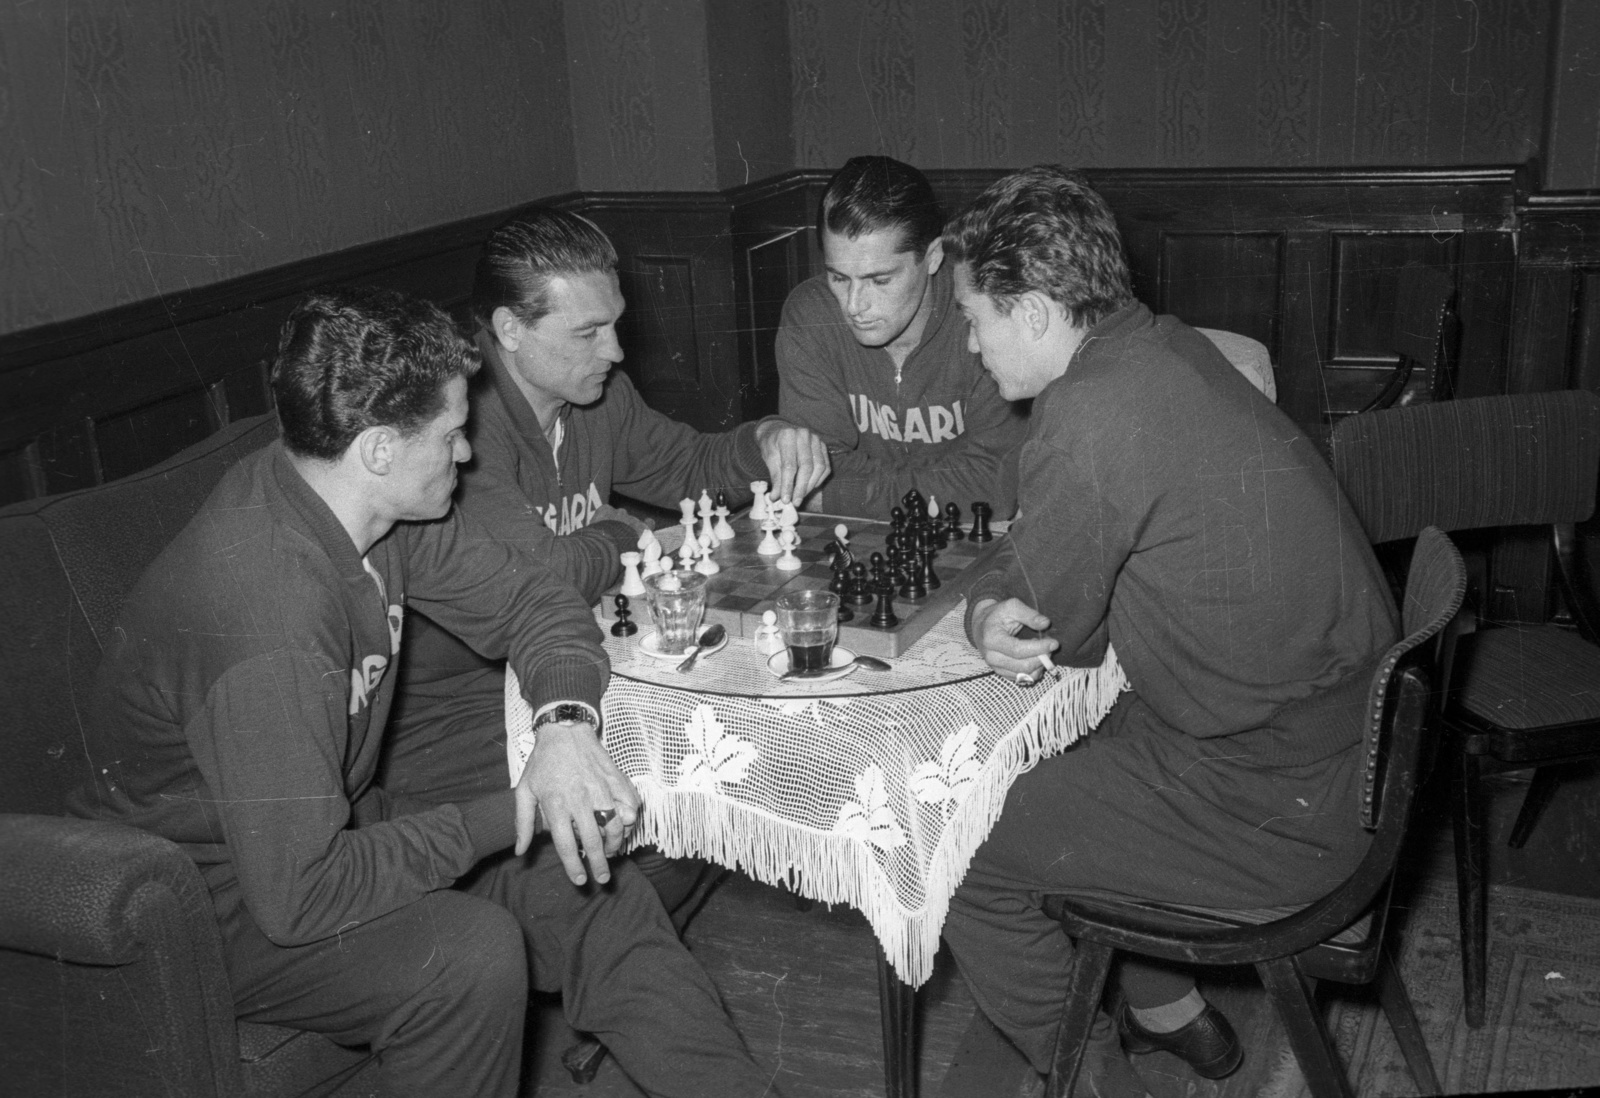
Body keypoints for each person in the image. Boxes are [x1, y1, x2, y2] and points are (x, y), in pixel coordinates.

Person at [67, 287, 776, 1098]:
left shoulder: (368, 508)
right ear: (377, 448)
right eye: (450, 435)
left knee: (592, 897)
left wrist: (565, 731)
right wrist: (521, 808)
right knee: (466, 958)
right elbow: (301, 896)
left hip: (328, 831)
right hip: (207, 905)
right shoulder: (268, 621)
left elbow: (538, 601)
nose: (467, 455)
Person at [937, 167, 1399, 1096]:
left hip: (1284, 803)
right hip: (1342, 754)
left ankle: (1097, 1079)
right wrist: (1010, 579)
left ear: (1030, 312)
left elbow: (1051, 629)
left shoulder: (1091, 414)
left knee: (960, 843)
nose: (973, 345)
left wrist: (989, 604)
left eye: (976, 317)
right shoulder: (1166, 348)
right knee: (1076, 745)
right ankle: (1172, 1011)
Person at [384, 207, 828, 905]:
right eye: (588, 332)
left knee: (740, 748)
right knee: (688, 781)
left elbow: (686, 466)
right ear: (509, 331)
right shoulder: (456, 432)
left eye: (614, 323)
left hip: (567, 666)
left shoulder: (594, 395)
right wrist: (627, 536)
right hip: (462, 706)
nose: (616, 351)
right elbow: (546, 576)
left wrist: (766, 438)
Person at [776, 155, 1026, 519]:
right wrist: (943, 488)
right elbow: (812, 480)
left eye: (880, 280)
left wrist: (848, 495)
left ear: (934, 257)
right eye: (839, 277)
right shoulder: (809, 315)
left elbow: (999, 486)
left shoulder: (981, 317)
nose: (854, 306)